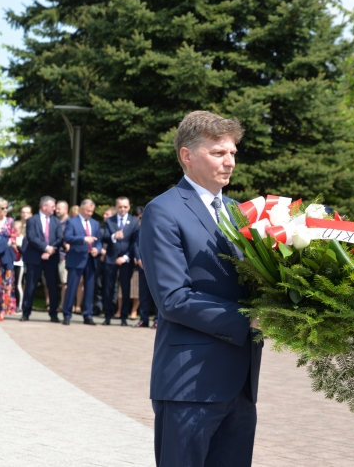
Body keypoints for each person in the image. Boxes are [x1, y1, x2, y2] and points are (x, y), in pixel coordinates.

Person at [140, 110, 263, 467]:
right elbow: (173, 298)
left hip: (241, 384)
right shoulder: (163, 211)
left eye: (233, 153)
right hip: (190, 382)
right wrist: (248, 319)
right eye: (219, 152)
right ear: (187, 155)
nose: (230, 162)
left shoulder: (239, 212)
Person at [21, 196, 63, 322]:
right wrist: (45, 248)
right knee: (30, 286)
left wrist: (50, 250)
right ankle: (26, 313)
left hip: (51, 258)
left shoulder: (56, 221)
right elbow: (31, 237)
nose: (55, 209)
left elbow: (60, 238)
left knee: (53, 287)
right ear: (44, 206)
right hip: (35, 258)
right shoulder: (32, 220)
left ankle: (53, 313)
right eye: (53, 206)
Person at [62, 199, 102, 326]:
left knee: (90, 288)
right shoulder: (72, 222)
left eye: (92, 211)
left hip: (91, 259)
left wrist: (97, 249)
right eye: (87, 211)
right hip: (76, 258)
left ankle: (88, 315)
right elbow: (68, 237)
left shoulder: (95, 223)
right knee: (72, 287)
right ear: (81, 209)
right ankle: (67, 314)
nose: (90, 213)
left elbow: (99, 240)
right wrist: (83, 239)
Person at [102, 196, 139, 326]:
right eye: (120, 207)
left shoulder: (134, 222)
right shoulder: (110, 220)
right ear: (116, 207)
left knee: (126, 288)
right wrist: (114, 236)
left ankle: (124, 317)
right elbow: (105, 237)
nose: (122, 209)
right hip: (111, 259)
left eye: (125, 207)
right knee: (109, 288)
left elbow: (135, 242)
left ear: (129, 207)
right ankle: (107, 316)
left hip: (126, 261)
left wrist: (126, 257)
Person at [55, 200, 70, 313]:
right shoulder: (55, 222)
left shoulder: (70, 223)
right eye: (56, 208)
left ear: (66, 209)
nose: (57, 210)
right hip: (54, 255)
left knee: (65, 282)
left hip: (64, 256)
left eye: (59, 208)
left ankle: (63, 305)